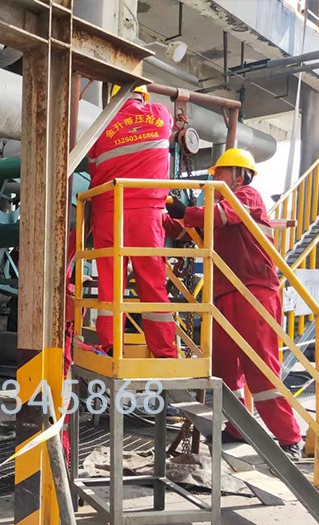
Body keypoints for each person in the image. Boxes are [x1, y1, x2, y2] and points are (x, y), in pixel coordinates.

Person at [164, 148, 302, 458]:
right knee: (224, 366)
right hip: (225, 295)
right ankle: (238, 427)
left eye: (221, 173)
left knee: (260, 367)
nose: (214, 177)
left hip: (255, 292)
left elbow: (217, 215)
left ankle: (289, 438)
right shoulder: (217, 210)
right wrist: (159, 213)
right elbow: (185, 229)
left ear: (240, 176)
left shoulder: (247, 196)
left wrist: (185, 210)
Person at [88, 84, 177, 358]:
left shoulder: (101, 126)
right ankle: (164, 352)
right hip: (146, 214)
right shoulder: (160, 114)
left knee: (110, 284)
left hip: (108, 210)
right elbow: (172, 129)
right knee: (152, 282)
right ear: (143, 95)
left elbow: (93, 167)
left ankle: (112, 346)